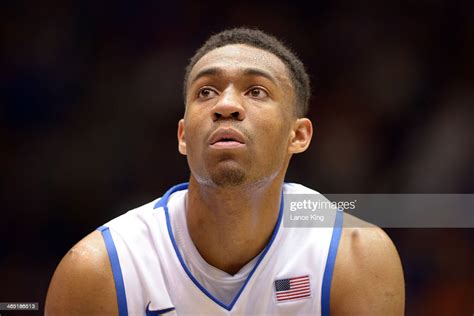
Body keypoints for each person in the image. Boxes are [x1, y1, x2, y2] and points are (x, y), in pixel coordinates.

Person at [45, 28, 405, 315]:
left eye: (256, 91)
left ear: (298, 136)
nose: (227, 105)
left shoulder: (355, 257)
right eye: (206, 92)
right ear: (184, 136)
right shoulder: (99, 270)